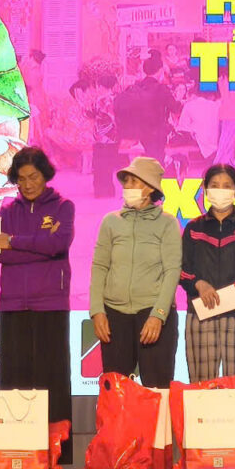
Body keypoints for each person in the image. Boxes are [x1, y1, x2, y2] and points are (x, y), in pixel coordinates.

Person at [0, 147, 75, 464]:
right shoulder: (6, 212)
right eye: (21, 178)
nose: (27, 184)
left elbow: (58, 243)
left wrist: (15, 241)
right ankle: (15, 453)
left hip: (51, 304)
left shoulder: (63, 207)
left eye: (33, 177)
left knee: (53, 379)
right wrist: (37, 247)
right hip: (13, 305)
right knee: (14, 382)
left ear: (45, 175)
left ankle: (57, 455)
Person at [90, 157, 181, 387]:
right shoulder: (110, 221)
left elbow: (172, 271)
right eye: (126, 181)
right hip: (114, 315)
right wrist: (97, 311)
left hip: (152, 314)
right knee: (117, 391)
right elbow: (99, 266)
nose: (126, 186)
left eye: (133, 181)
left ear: (149, 187)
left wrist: (158, 315)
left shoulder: (168, 223)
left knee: (157, 390)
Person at [180, 164, 235, 389]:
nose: (220, 190)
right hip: (201, 313)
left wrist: (230, 293)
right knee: (201, 387)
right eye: (214, 185)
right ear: (205, 189)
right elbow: (180, 268)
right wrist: (199, 284)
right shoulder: (193, 228)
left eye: (227, 186)